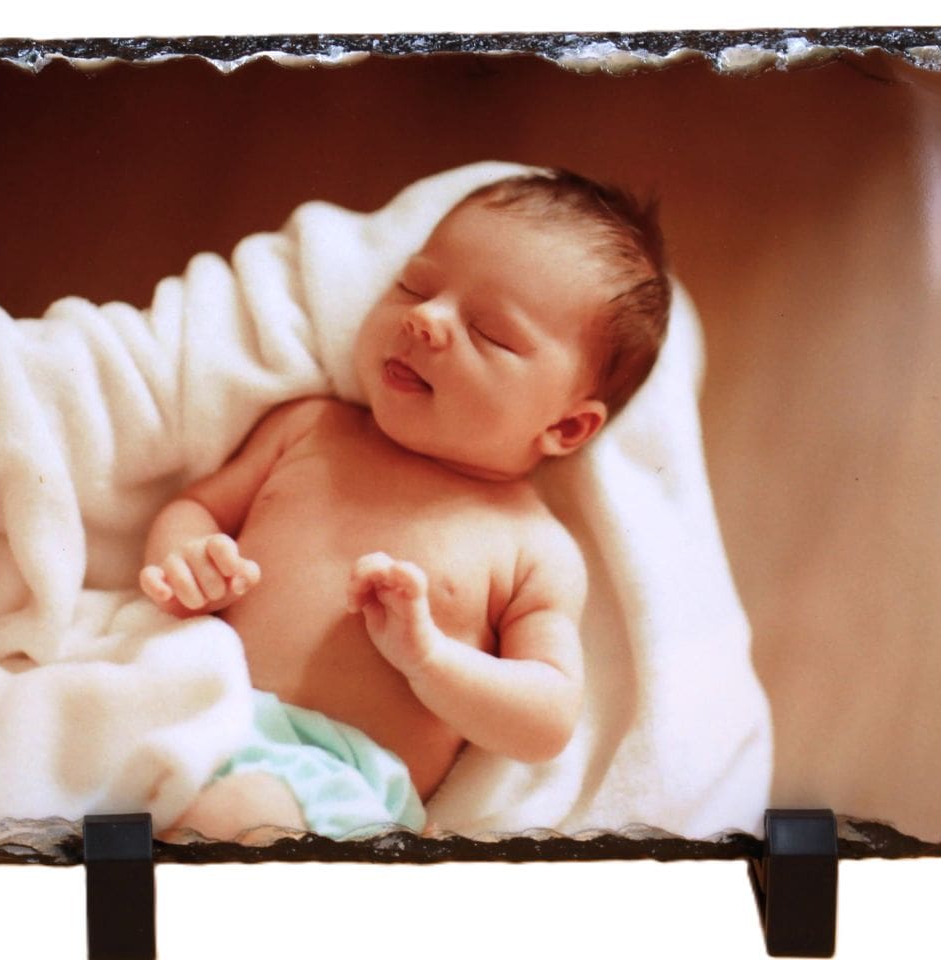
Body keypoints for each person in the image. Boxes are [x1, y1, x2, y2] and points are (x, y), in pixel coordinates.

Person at [138, 169, 670, 840]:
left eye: (490, 333)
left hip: (331, 777)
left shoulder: (531, 545)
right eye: (414, 285)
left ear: (566, 427)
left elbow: (547, 719)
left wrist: (431, 661)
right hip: (192, 702)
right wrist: (188, 557)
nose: (426, 317)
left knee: (232, 824)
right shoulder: (312, 428)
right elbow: (196, 508)